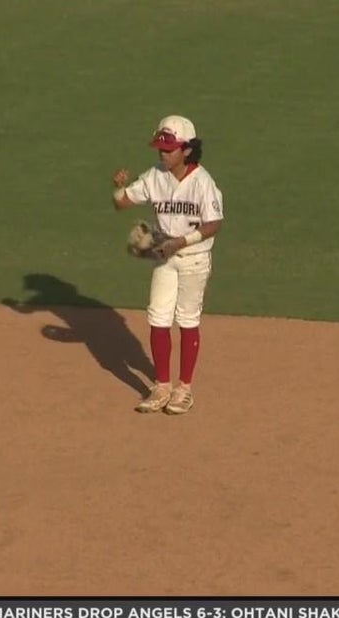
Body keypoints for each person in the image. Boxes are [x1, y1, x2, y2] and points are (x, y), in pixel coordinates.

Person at [111, 115, 224, 415]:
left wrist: (182, 242)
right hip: (164, 259)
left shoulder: (203, 182)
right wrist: (119, 188)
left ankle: (183, 389)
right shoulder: (155, 176)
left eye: (169, 148)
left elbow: (214, 224)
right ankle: (161, 386)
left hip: (194, 259)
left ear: (187, 149)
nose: (162, 153)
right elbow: (122, 202)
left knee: (187, 319)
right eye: (160, 148)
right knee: (158, 318)